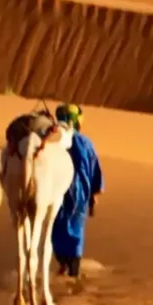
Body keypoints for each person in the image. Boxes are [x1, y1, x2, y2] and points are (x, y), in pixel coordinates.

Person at [52, 103, 104, 280]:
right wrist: (94, 194)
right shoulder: (85, 142)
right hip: (79, 194)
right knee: (74, 230)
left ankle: (64, 266)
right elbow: (94, 168)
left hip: (57, 191)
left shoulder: (54, 140)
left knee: (57, 228)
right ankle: (72, 271)